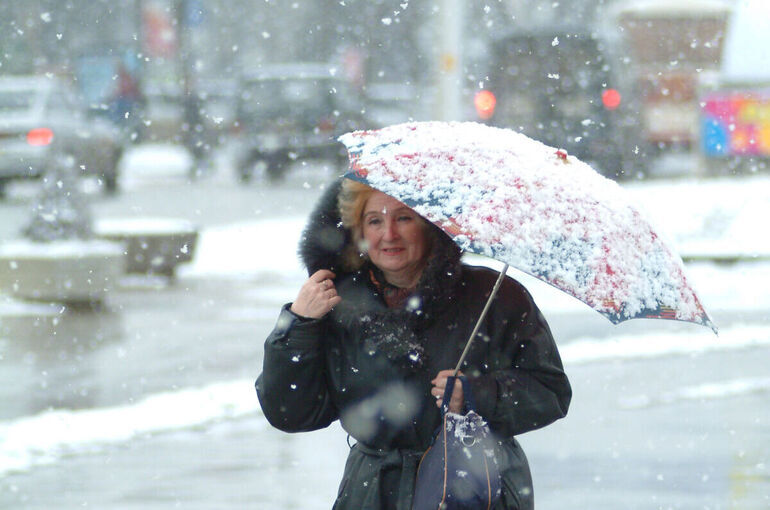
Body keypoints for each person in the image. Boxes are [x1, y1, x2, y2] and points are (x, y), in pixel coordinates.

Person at [256, 178, 572, 509]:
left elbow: (551, 392)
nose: (389, 234)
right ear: (359, 231)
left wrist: (478, 394)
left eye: (404, 218)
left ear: (431, 225)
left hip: (475, 487)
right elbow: (290, 413)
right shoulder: (337, 303)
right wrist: (300, 325)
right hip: (372, 494)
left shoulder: (494, 295)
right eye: (374, 220)